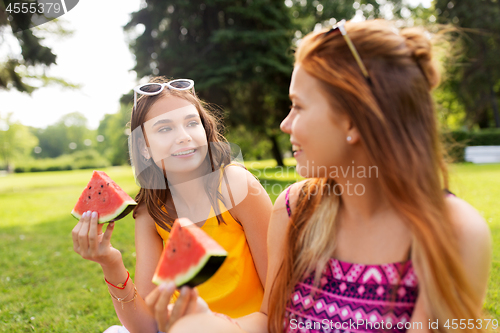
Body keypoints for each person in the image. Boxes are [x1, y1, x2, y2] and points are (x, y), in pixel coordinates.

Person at [147, 20, 492, 333]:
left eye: (298, 106)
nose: (285, 124)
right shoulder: (295, 209)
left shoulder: (453, 232)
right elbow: (271, 320)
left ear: (352, 120)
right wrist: (210, 325)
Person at [71, 77, 273, 333]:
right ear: (144, 148)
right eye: (165, 129)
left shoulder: (236, 186)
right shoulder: (149, 211)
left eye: (191, 123)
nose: (184, 137)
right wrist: (111, 263)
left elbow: (280, 302)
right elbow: (146, 326)